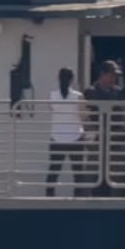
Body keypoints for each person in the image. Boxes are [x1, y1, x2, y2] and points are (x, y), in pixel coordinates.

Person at [82, 60, 124, 196]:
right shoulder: (89, 92)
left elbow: (123, 116)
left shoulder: (119, 92)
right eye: (111, 75)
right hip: (96, 141)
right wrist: (92, 132)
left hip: (115, 141)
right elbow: (84, 116)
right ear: (102, 74)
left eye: (115, 76)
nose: (114, 78)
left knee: (115, 176)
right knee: (92, 174)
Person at [45, 67, 85, 196]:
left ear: (58, 78)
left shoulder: (52, 95)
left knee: (54, 170)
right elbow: (84, 116)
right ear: (72, 80)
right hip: (75, 136)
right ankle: (78, 199)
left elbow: (52, 109)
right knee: (78, 172)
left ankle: (49, 198)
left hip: (57, 137)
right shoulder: (78, 96)